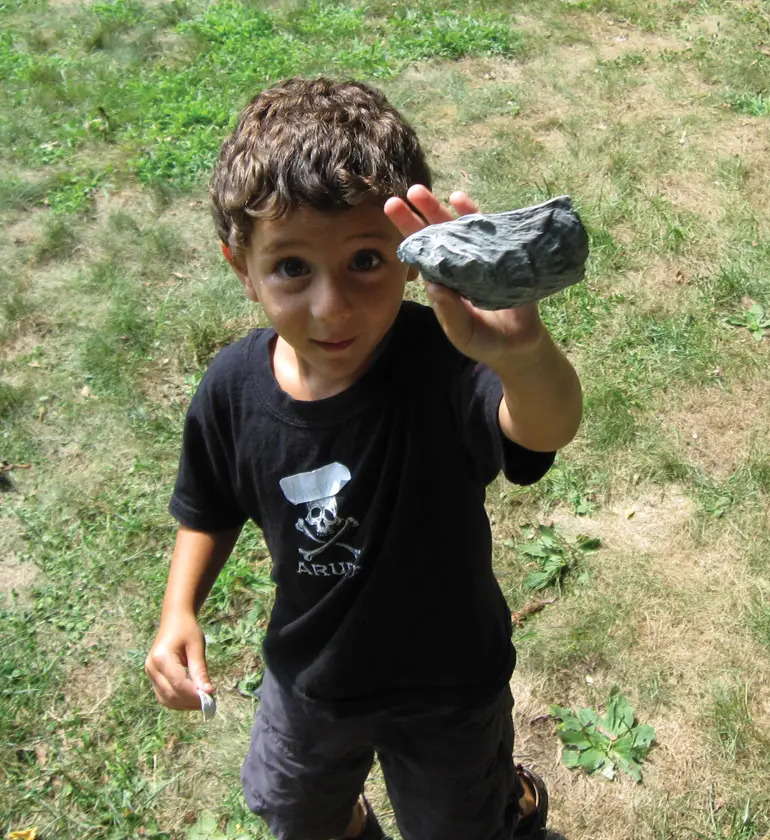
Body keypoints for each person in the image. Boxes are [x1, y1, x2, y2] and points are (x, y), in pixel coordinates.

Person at [145, 76, 583, 840]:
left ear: (412, 256)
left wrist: (523, 354)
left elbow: (544, 429)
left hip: (449, 683)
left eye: (365, 262)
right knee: (296, 812)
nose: (332, 305)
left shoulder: (441, 361)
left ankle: (506, 801)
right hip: (311, 676)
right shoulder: (232, 390)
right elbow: (208, 503)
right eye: (291, 268)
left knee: (458, 824)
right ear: (239, 266)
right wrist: (179, 608)